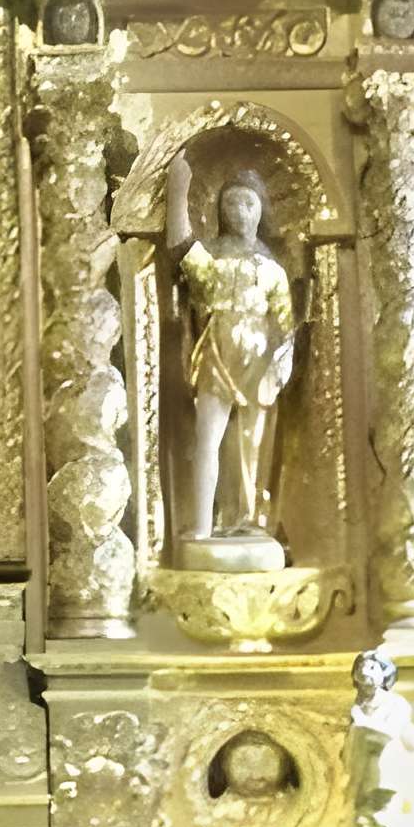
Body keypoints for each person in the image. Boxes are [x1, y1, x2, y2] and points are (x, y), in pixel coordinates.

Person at [179, 167, 300, 547]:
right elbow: (181, 248)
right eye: (230, 202)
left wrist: (280, 363)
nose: (239, 211)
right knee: (208, 436)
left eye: (247, 203)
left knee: (252, 441)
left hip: (260, 356)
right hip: (218, 346)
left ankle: (247, 518)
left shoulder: (273, 269)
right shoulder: (211, 258)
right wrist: (178, 189)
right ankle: (202, 522)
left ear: (260, 209)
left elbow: (285, 325)